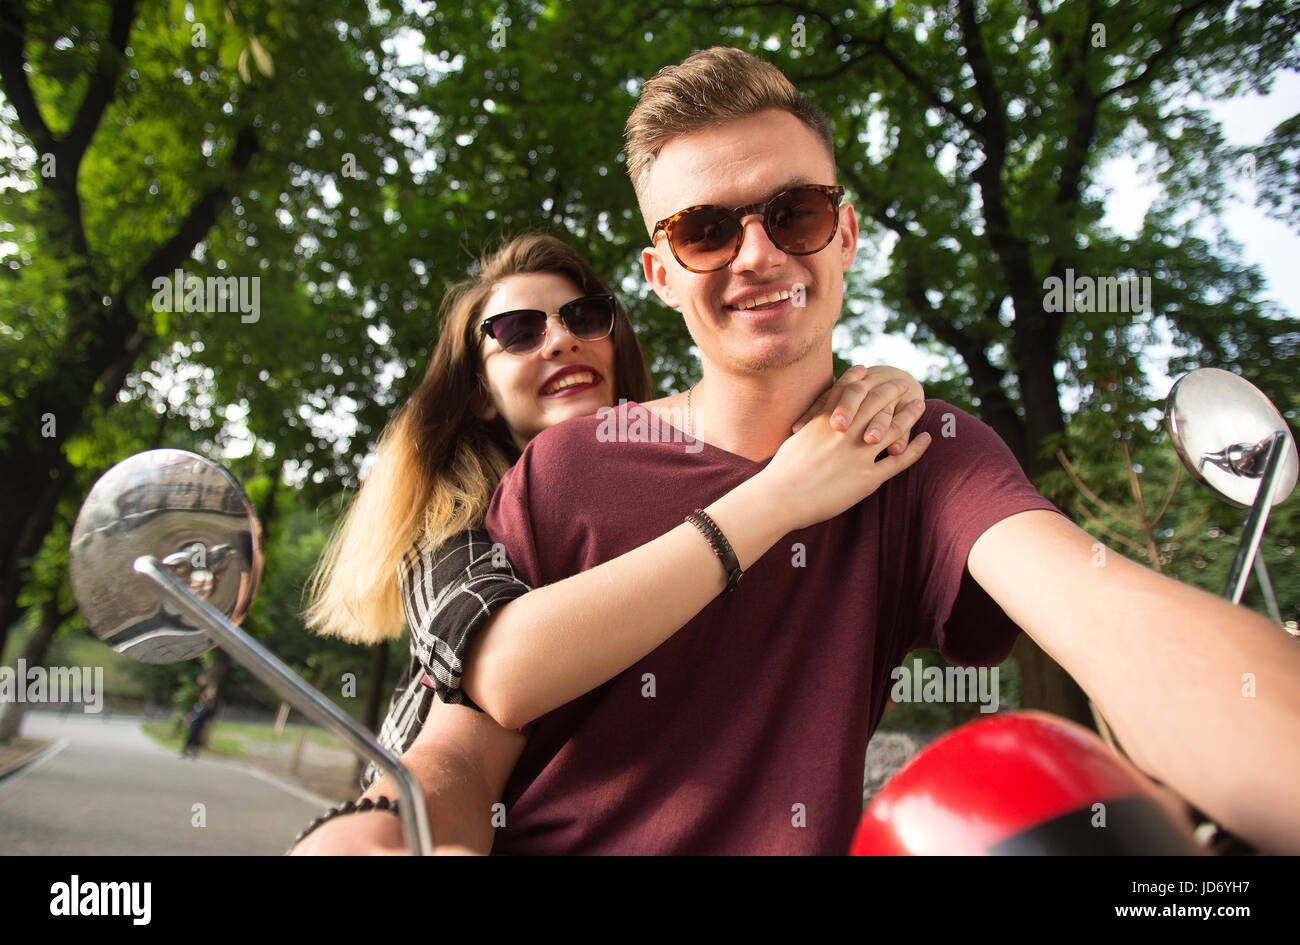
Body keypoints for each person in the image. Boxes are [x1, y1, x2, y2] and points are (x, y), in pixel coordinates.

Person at [305, 47, 1300, 856]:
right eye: (703, 230)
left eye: (795, 213)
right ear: (658, 271)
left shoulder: (922, 450)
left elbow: (1102, 611)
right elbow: (465, 749)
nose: (756, 255)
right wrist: (387, 835)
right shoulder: (566, 469)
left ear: (846, 234)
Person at [291, 232, 927, 852]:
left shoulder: (688, 477)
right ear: (481, 394)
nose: (561, 338)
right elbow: (499, 677)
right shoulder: (455, 526)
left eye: (585, 317)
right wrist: (779, 495)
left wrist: (871, 399)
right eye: (518, 331)